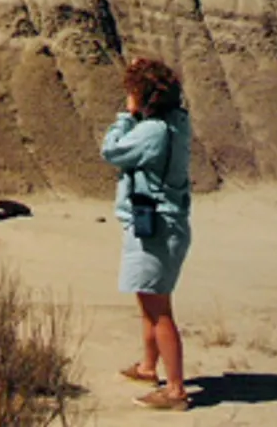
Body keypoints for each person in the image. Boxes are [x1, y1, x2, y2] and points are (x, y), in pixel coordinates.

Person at [101, 57, 193, 412]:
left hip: (156, 227)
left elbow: (111, 150)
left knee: (159, 310)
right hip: (164, 224)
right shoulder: (176, 123)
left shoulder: (152, 132)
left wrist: (126, 116)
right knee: (149, 301)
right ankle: (147, 367)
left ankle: (175, 390)